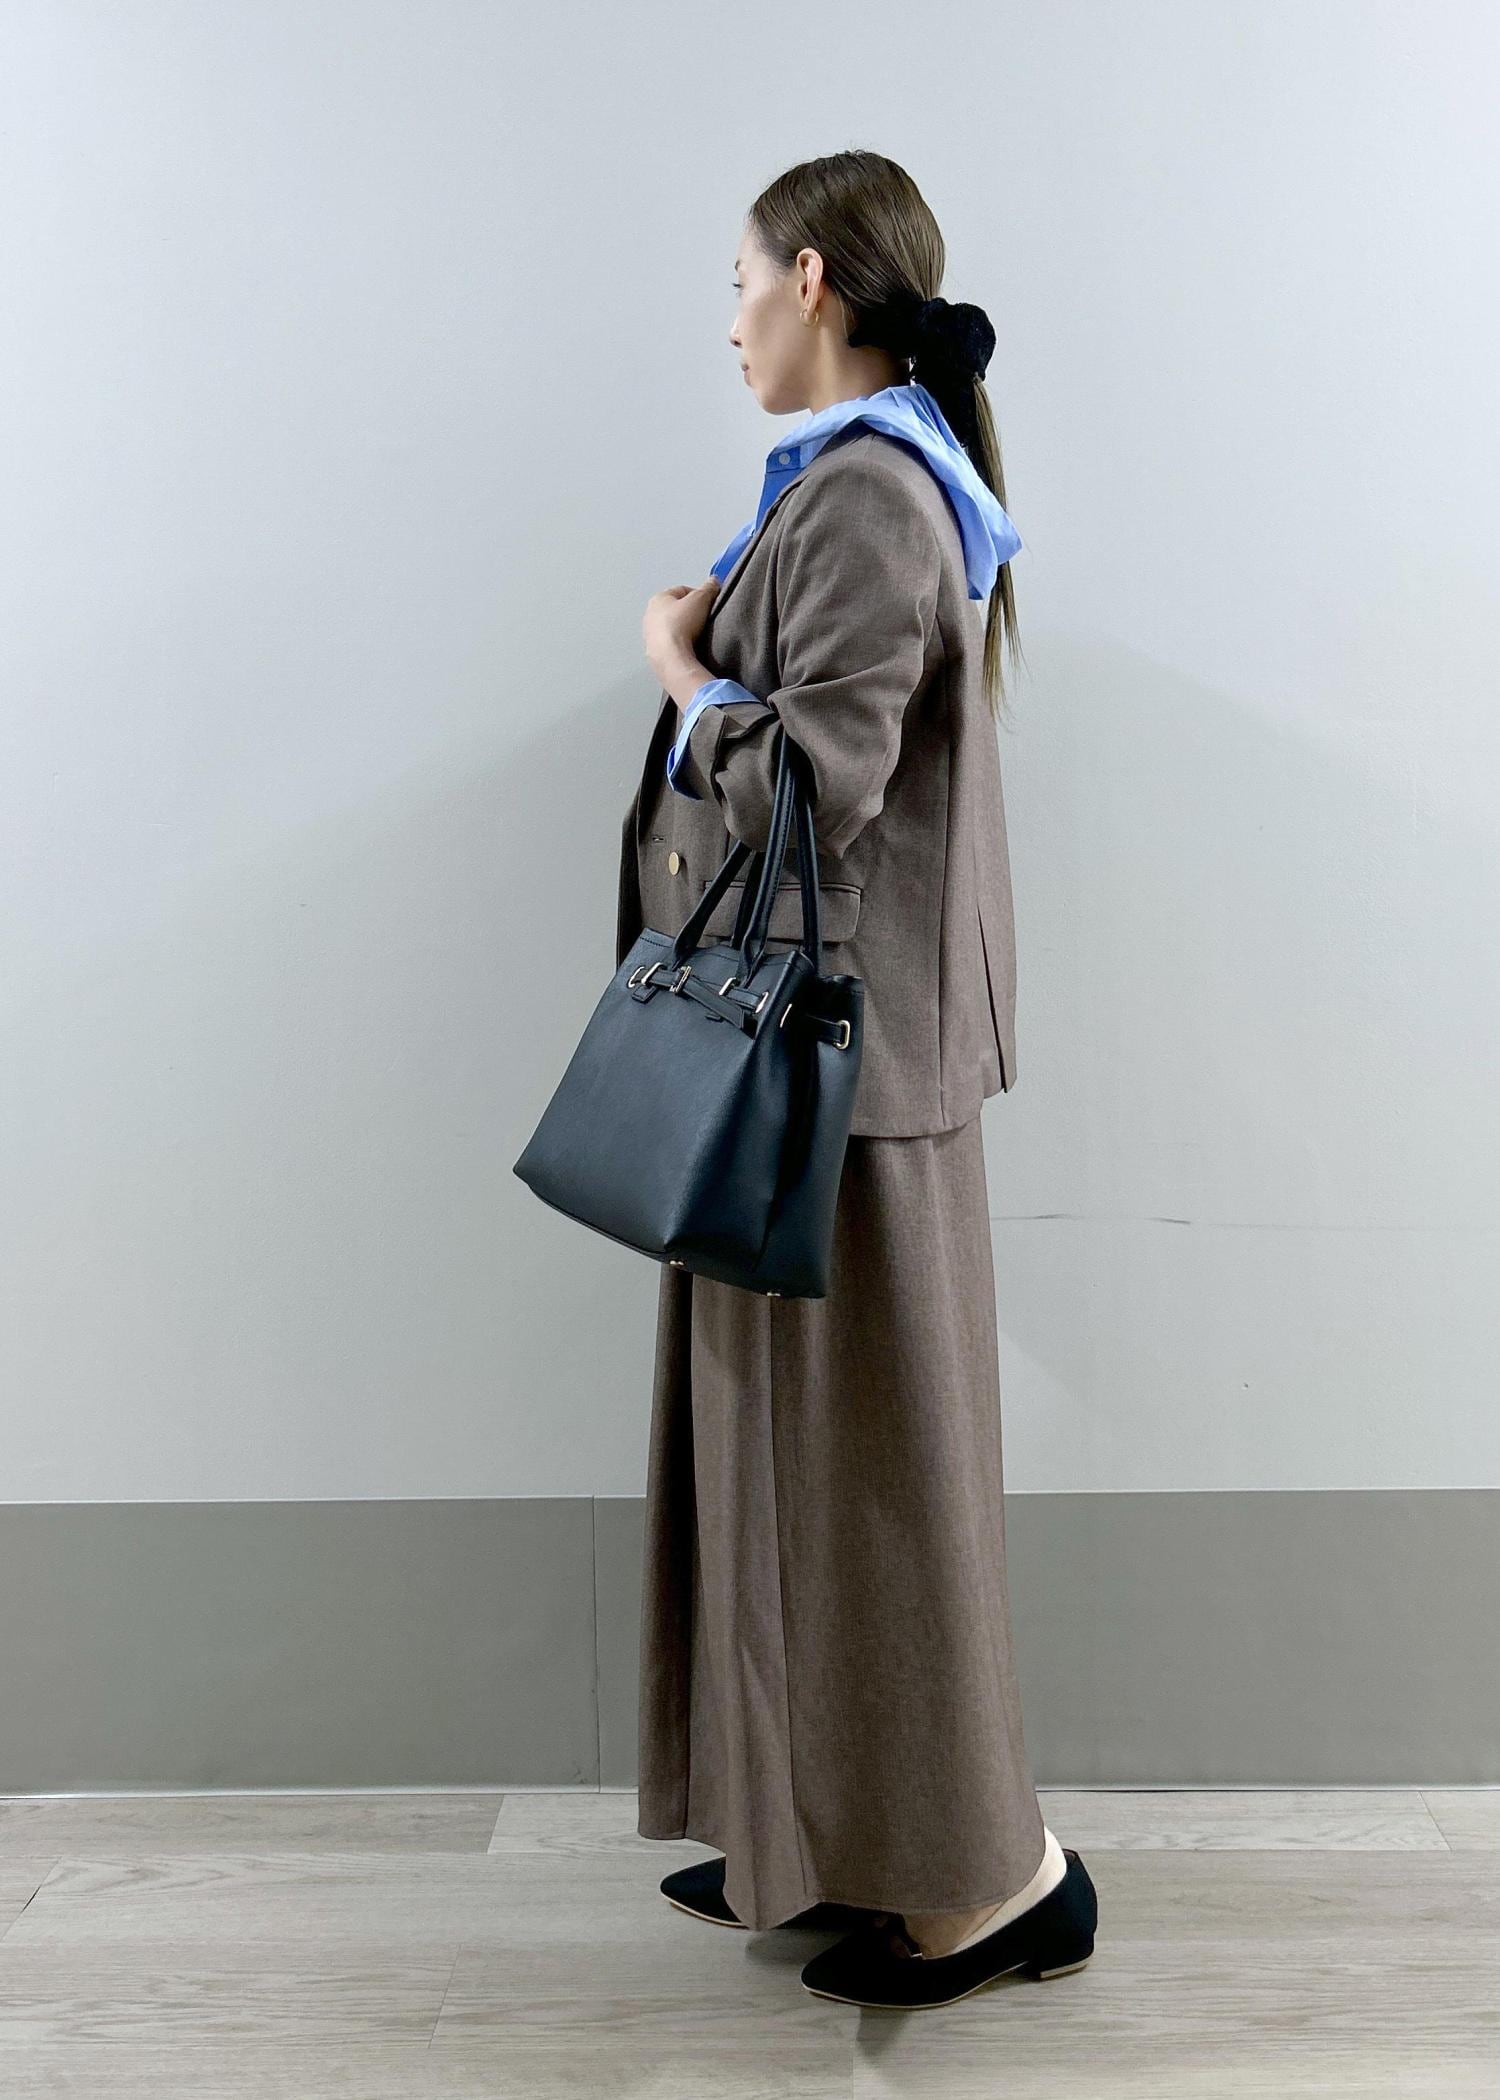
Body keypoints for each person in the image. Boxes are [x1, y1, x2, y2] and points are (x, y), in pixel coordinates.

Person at [618, 149, 1098, 2012]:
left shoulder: (877, 499)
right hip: (803, 1061)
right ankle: (815, 1834)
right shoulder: (856, 485)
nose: (728, 318)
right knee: (796, 1474)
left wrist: (682, 671)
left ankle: (999, 1883)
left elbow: (819, 788)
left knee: (883, 1493)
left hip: (843, 1079)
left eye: (738, 280)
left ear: (810, 277)